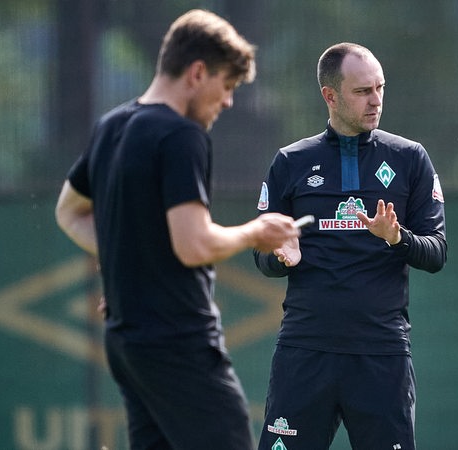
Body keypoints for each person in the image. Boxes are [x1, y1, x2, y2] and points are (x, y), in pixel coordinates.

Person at [54, 9, 300, 450]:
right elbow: (194, 244)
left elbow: (69, 212)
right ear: (197, 71)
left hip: (128, 344)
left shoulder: (111, 126)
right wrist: (255, 232)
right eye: (226, 86)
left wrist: (129, 268)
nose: (227, 102)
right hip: (179, 343)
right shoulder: (180, 135)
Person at [253, 42, 447, 450]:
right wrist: (281, 256)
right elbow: (261, 253)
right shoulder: (290, 161)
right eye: (362, 92)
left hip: (381, 353)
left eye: (380, 88)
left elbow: (436, 252)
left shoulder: (410, 158)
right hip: (306, 350)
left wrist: (396, 237)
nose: (375, 100)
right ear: (330, 96)